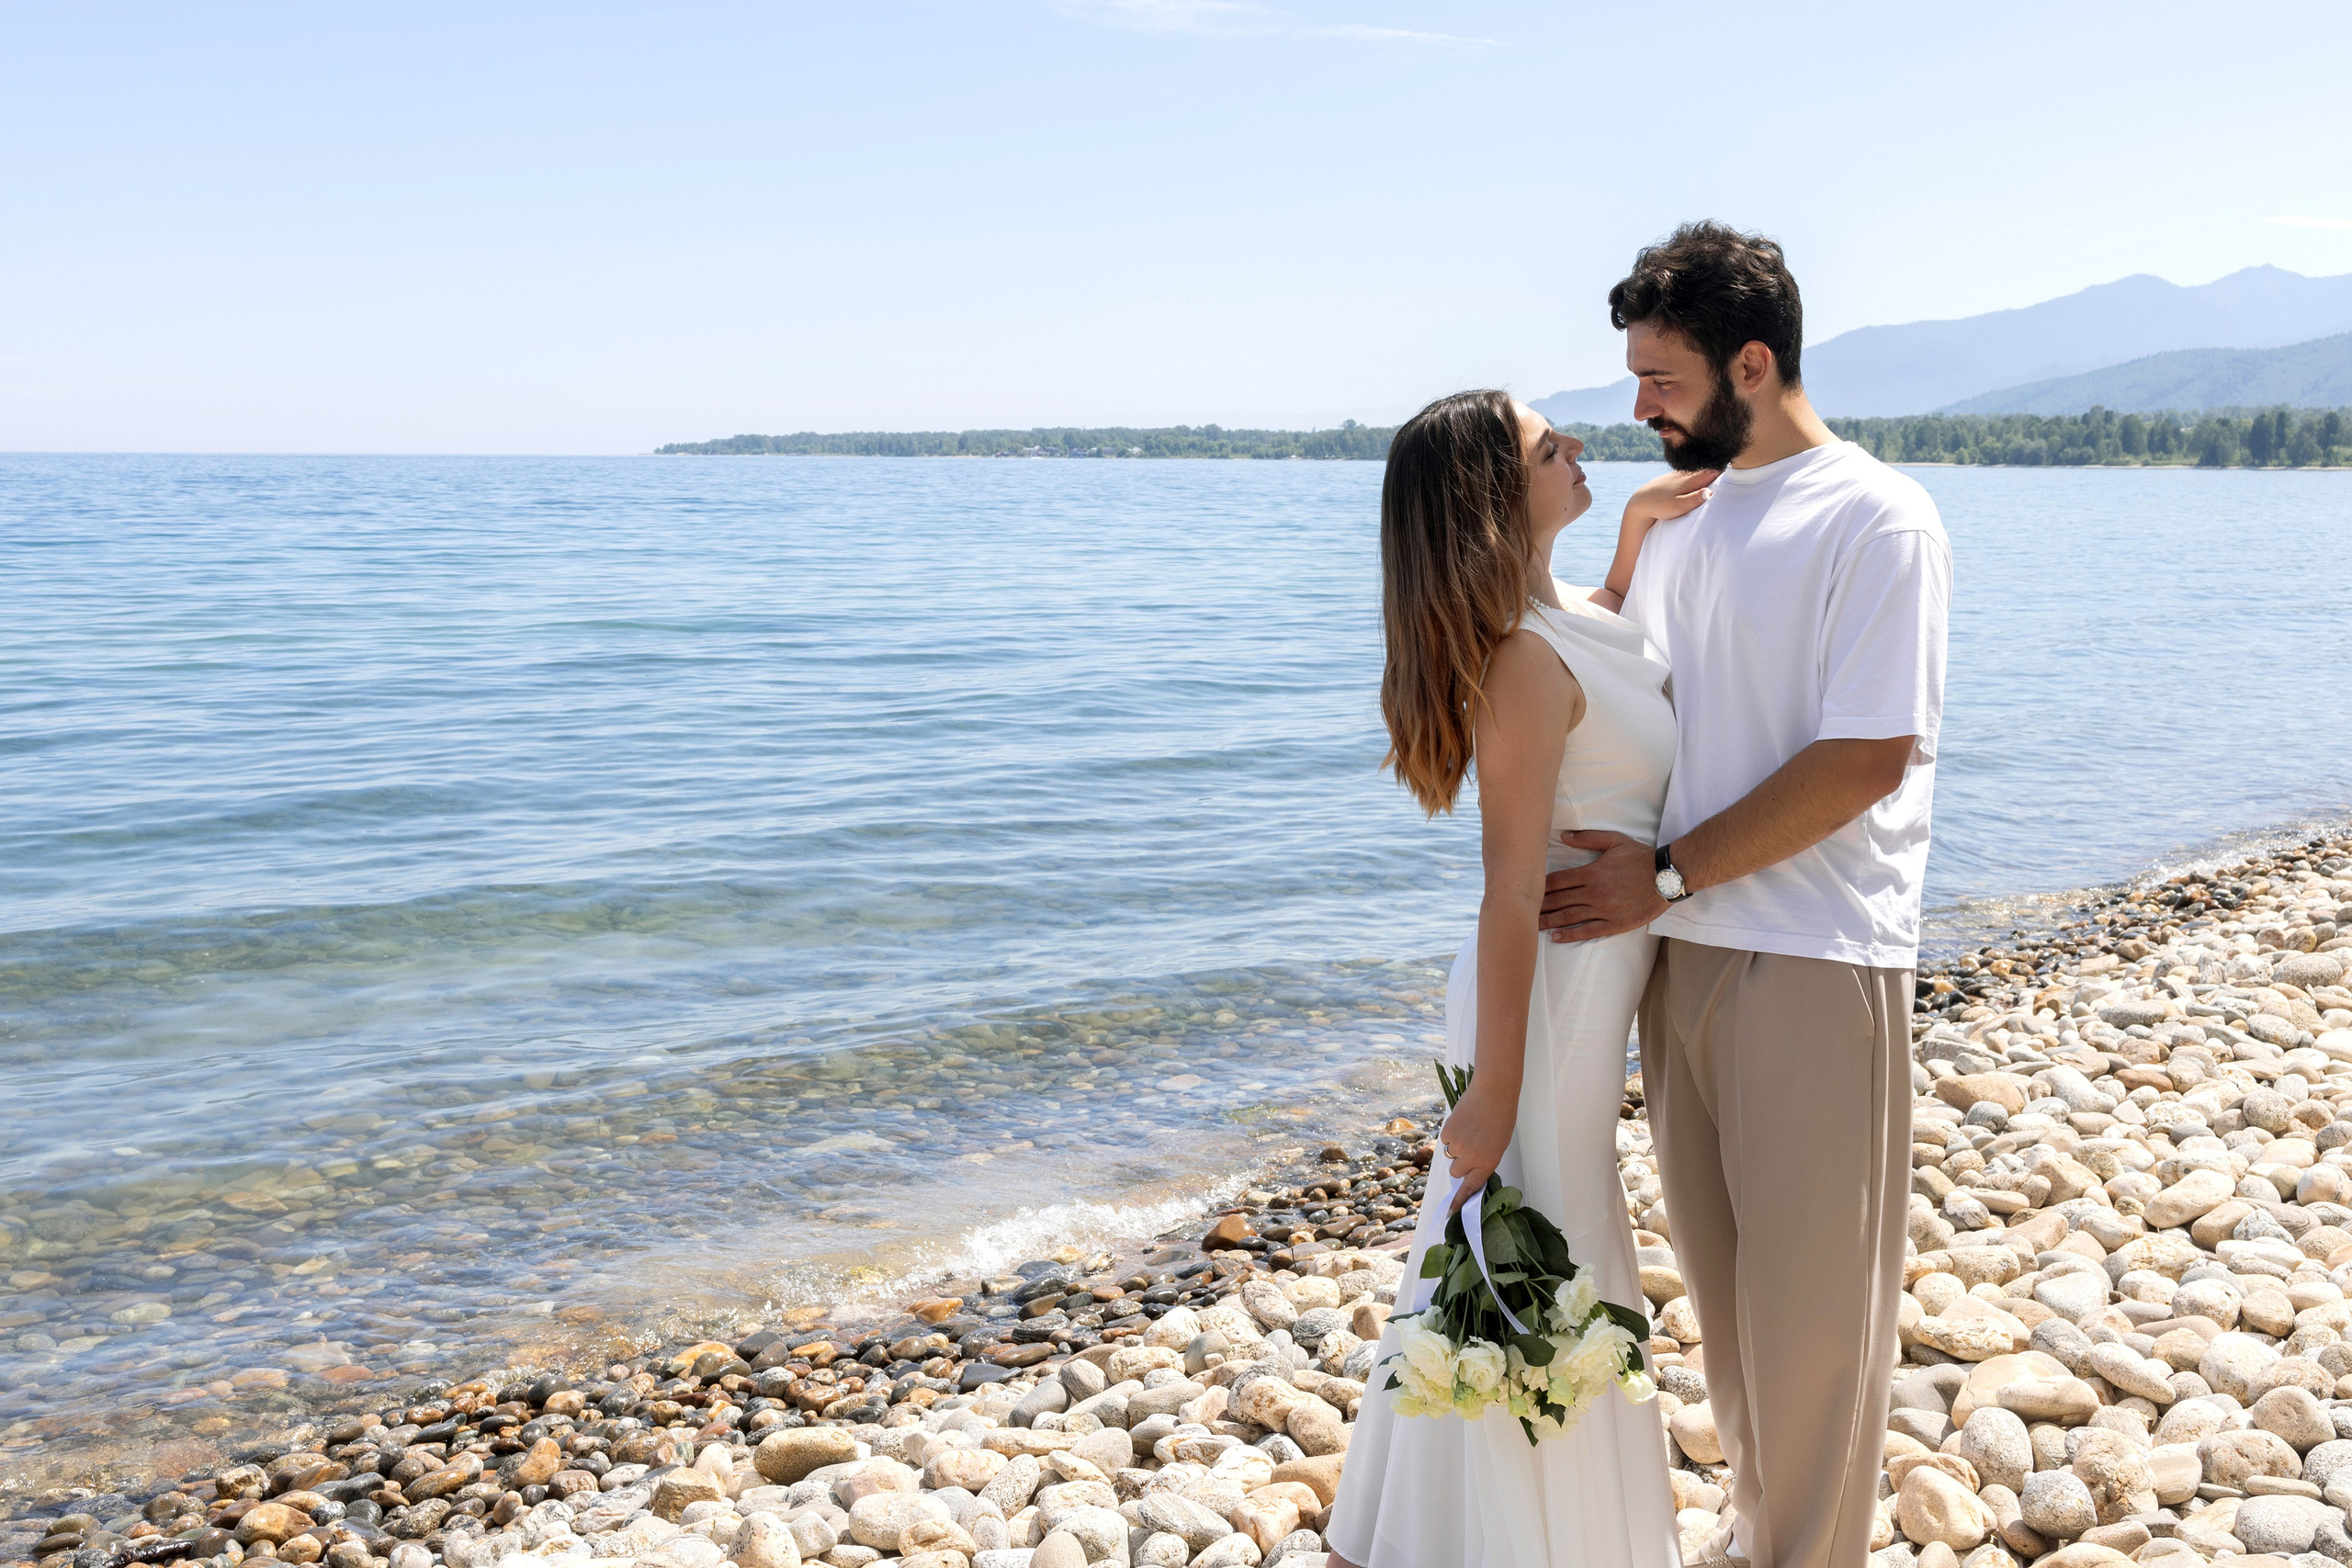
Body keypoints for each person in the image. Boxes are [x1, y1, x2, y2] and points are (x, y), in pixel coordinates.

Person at [1541, 222, 1952, 1568]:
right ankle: (1759, 1534)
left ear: (1754, 364)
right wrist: (1620, 551)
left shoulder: (1876, 516)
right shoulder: (1683, 519)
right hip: (1679, 948)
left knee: (1813, 1321)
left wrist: (1661, 872)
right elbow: (1615, 689)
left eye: (1661, 379)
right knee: (1725, 1304)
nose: (1640, 408)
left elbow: (1865, 757)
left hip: (1814, 950)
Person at [1321, 389, 1713, 1567]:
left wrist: (1632, 535)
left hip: (1580, 989)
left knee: (1519, 1260)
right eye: (1551, 447)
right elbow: (1505, 894)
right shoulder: (1524, 665)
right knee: (1524, 1257)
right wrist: (1492, 1089)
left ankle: (1435, 1532)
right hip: (1541, 1000)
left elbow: (1609, 629)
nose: (1579, 446)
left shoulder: (1566, 616)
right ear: (1496, 497)